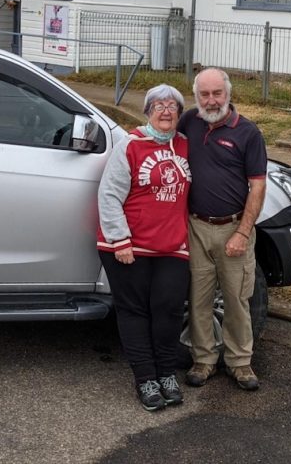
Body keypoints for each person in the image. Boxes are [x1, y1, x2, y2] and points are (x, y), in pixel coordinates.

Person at [96, 84, 192, 412]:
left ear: (179, 114)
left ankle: (167, 373)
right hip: (129, 246)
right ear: (148, 111)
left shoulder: (184, 146)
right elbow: (109, 195)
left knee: (169, 310)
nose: (165, 111)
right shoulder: (130, 146)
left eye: (172, 106)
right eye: (158, 105)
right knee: (134, 312)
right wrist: (120, 240)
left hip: (172, 246)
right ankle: (145, 379)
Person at [177, 68, 267, 391]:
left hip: (233, 228)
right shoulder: (188, 122)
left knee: (236, 300)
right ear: (196, 95)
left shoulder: (248, 133)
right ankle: (203, 360)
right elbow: (157, 133)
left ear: (228, 94)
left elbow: (257, 187)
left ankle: (240, 362)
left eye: (217, 93)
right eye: (205, 94)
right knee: (198, 299)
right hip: (196, 227)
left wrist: (243, 233)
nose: (211, 100)